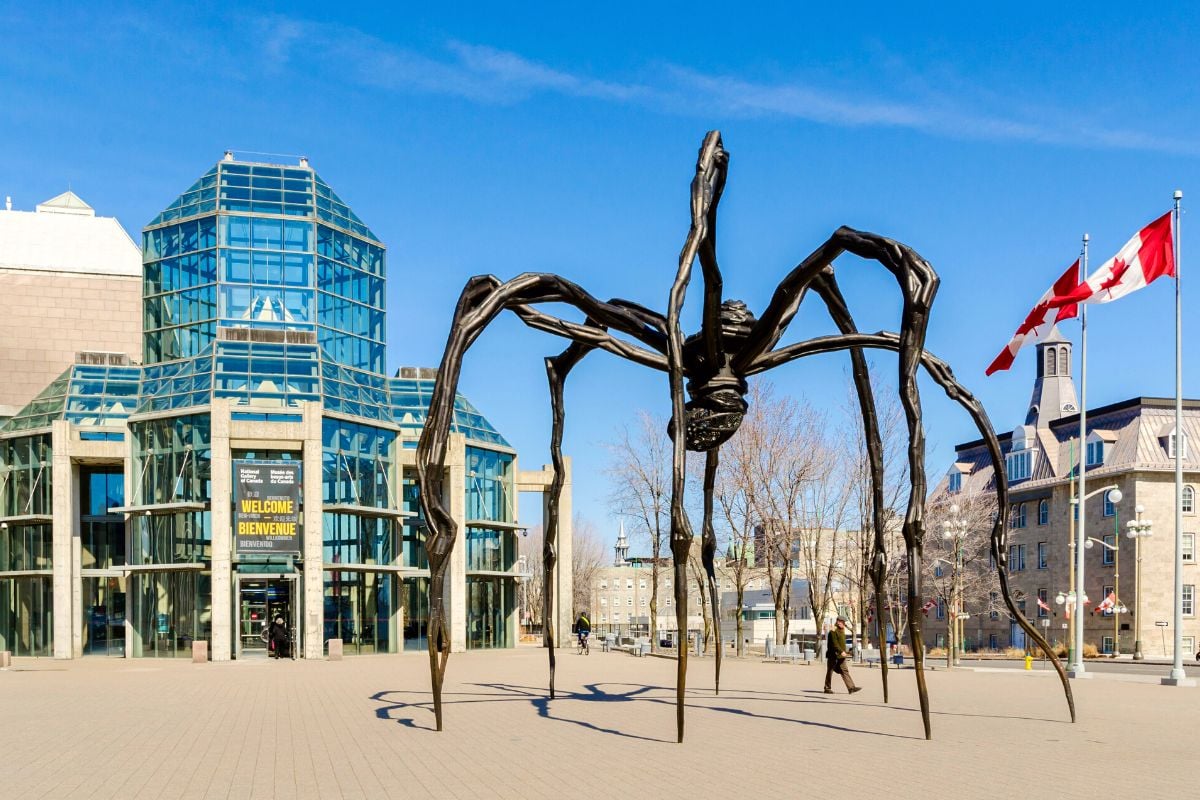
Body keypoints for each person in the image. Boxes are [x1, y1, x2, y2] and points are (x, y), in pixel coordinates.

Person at [824, 616, 861, 694]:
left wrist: (845, 651)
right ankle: (827, 688)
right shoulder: (833, 631)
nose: (843, 624)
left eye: (844, 622)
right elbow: (835, 644)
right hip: (833, 655)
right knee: (830, 671)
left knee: (845, 670)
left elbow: (841, 643)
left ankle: (851, 688)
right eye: (842, 622)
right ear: (838, 621)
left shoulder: (842, 630)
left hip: (841, 655)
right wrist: (841, 651)